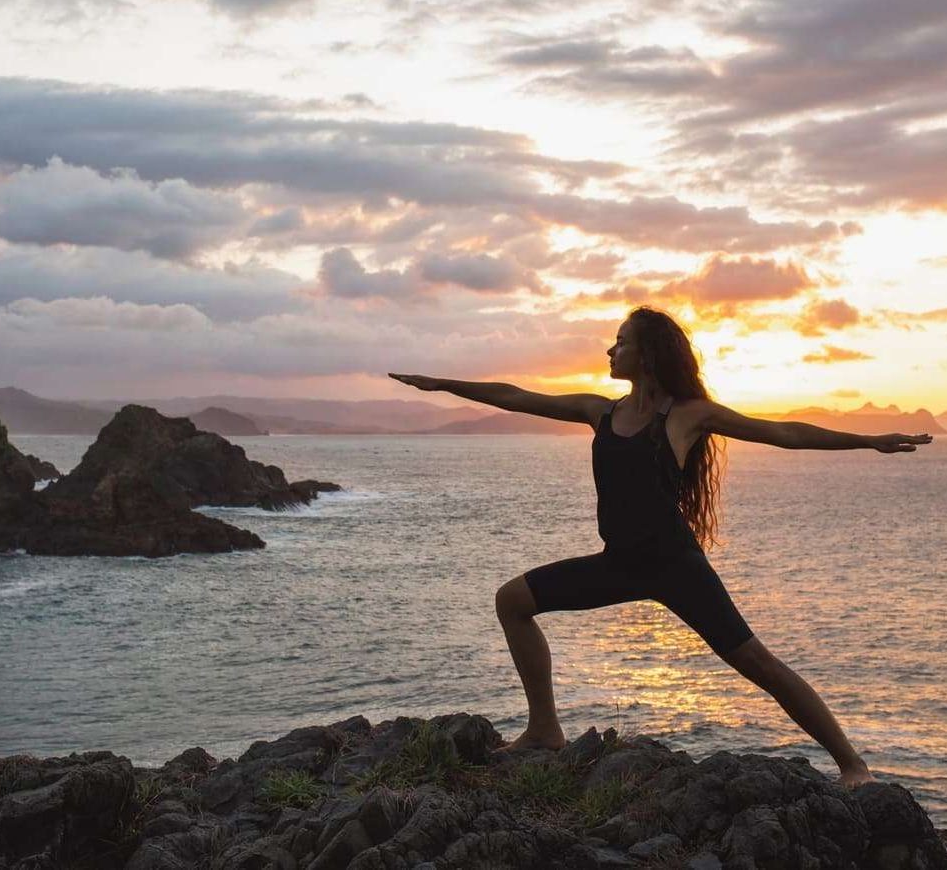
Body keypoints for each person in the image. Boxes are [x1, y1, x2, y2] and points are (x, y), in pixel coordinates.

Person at [388, 305, 933, 789]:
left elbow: (782, 432)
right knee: (513, 600)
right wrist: (444, 384)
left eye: (620, 341)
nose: (610, 350)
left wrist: (867, 440)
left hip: (675, 567)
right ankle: (545, 729)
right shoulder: (599, 411)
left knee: (758, 663)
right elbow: (517, 397)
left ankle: (852, 764)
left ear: (646, 355)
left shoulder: (687, 414)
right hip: (619, 565)